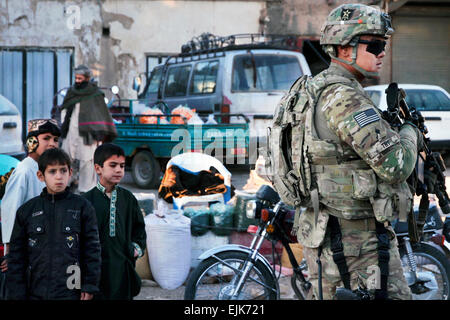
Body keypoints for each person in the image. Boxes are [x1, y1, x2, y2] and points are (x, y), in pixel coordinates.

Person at [293, 4, 422, 300]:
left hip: (327, 233)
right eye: (374, 44)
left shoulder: (311, 89)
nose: (382, 52)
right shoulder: (345, 98)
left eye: (384, 45)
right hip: (356, 244)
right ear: (342, 46)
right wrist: (409, 132)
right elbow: (396, 165)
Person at [6, 148, 101, 300]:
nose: (59, 177)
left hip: (71, 291)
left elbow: (92, 250)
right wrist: (17, 293)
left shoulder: (83, 207)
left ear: (70, 173)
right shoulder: (27, 211)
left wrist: (89, 285)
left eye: (63, 171)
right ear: (40, 175)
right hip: (35, 291)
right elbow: (17, 257)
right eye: (52, 171)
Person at [83, 143, 146, 300]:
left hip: (123, 268)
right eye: (113, 165)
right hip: (97, 270)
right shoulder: (85, 201)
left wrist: (136, 249)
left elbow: (139, 230)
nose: (119, 170)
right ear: (98, 168)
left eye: (122, 166)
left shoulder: (128, 199)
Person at [1, 119, 60, 268]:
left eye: (55, 139)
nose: (52, 143)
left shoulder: (45, 170)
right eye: (46, 138)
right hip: (25, 246)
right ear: (32, 141)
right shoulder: (24, 171)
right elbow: (11, 210)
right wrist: (10, 250)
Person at [60, 64, 117, 194]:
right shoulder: (71, 92)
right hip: (71, 132)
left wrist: (99, 135)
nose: (77, 81)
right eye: (76, 78)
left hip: (88, 134)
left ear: (86, 78)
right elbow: (64, 110)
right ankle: (65, 185)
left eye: (80, 78)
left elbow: (101, 116)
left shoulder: (95, 94)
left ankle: (86, 190)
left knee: (87, 162)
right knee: (66, 159)